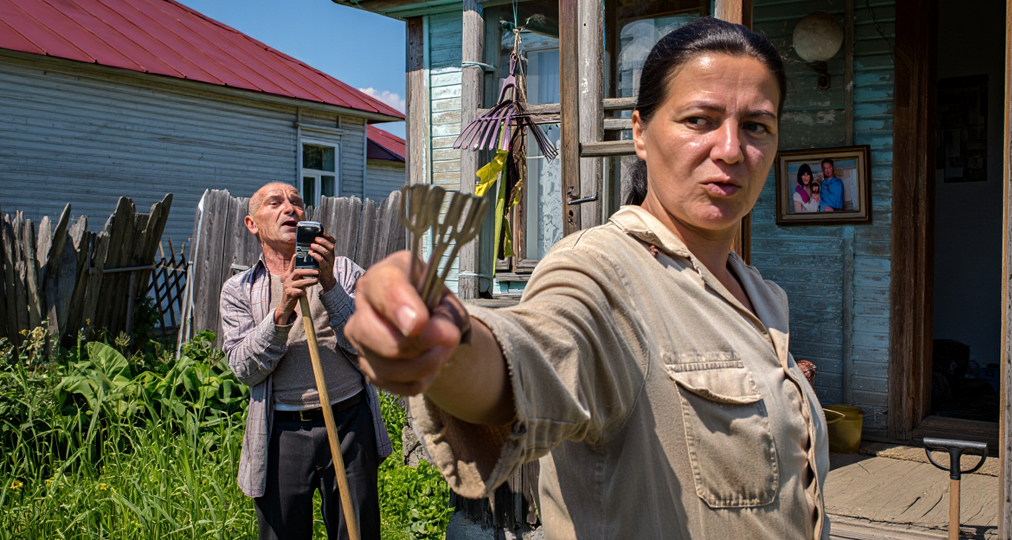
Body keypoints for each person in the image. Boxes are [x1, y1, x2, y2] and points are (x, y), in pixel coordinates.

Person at [345, 17, 829, 540]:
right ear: (640, 132)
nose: (731, 149)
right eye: (699, 120)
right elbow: (539, 350)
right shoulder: (601, 270)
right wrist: (451, 345)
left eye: (756, 126)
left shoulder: (761, 294)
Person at [221, 182, 391, 540]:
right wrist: (282, 310)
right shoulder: (239, 290)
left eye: (296, 202)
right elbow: (244, 368)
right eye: (275, 203)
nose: (290, 208)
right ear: (252, 224)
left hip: (348, 424)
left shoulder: (343, 272)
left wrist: (329, 285)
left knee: (358, 532)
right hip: (281, 433)